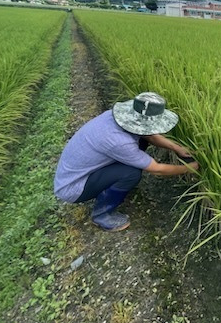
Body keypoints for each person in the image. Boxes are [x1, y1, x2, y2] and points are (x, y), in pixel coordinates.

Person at [54, 92, 199, 231]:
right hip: (73, 187)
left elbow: (148, 135)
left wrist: (177, 148)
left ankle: (112, 188)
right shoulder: (119, 141)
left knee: (139, 145)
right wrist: (188, 168)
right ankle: (102, 215)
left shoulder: (115, 118)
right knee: (131, 173)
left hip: (83, 172)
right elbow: (157, 169)